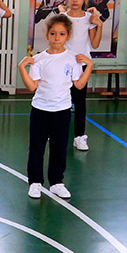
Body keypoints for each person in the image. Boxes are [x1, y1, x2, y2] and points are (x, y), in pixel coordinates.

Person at [18, 13, 93, 199]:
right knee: (37, 147)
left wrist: (89, 66)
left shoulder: (73, 59)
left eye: (61, 34)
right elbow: (31, 86)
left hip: (62, 111)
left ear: (68, 35)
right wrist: (22, 68)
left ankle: (57, 182)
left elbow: (79, 85)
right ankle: (35, 182)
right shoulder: (40, 59)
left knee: (59, 148)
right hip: (40, 110)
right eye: (53, 34)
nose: (57, 38)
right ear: (47, 35)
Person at [48, 0, 102, 150]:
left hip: (81, 66)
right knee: (58, 99)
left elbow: (95, 44)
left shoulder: (89, 18)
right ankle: (56, 132)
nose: (75, 0)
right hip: (63, 65)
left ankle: (79, 136)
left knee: (80, 102)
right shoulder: (63, 18)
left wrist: (99, 24)